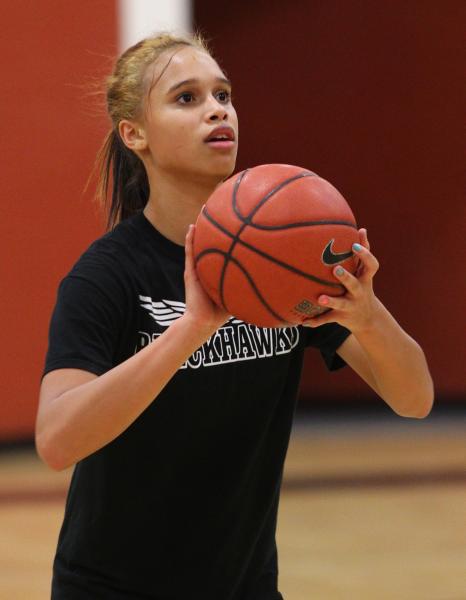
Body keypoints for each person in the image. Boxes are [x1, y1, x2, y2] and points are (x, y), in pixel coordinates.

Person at [36, 32, 434, 600]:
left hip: (245, 586)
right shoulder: (107, 276)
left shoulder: (287, 260)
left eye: (223, 94)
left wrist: (369, 316)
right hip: (115, 587)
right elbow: (55, 441)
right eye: (187, 98)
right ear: (134, 134)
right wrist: (191, 328)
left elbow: (414, 399)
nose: (217, 108)